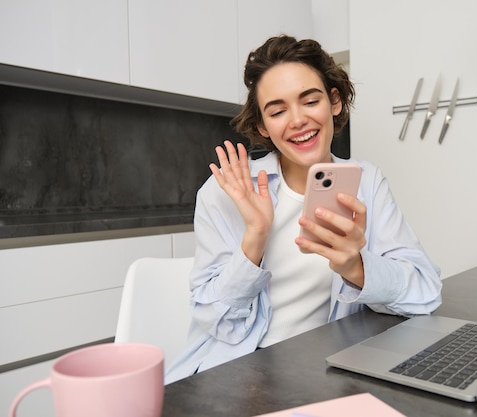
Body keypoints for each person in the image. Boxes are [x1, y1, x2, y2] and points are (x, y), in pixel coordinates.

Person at [165, 35, 442, 384]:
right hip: (238, 372)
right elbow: (216, 321)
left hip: (326, 369)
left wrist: (356, 267)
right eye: (278, 111)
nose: (297, 120)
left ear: (334, 102)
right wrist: (255, 237)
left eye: (310, 100)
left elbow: (426, 293)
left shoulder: (366, 182)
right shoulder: (227, 192)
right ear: (263, 126)